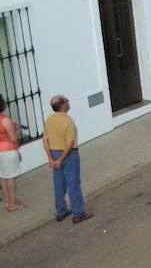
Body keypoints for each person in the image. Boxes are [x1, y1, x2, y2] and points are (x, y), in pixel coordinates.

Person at [42, 95, 92, 223]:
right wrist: (61, 159)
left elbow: (45, 139)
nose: (68, 102)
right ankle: (78, 214)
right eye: (66, 101)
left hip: (54, 154)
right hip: (69, 155)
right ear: (63, 105)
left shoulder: (49, 120)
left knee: (59, 184)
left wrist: (50, 157)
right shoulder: (68, 122)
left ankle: (61, 211)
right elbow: (70, 143)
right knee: (73, 184)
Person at [0, 94, 24, 211]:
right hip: (8, 151)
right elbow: (13, 138)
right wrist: (18, 130)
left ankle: (7, 201)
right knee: (10, 178)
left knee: (2, 176)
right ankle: (13, 204)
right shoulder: (5, 119)